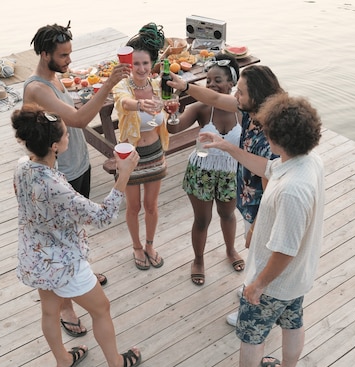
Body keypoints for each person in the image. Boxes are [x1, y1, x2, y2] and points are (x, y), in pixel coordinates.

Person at [198, 93, 324, 367]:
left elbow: (285, 249)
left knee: (252, 334)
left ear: (276, 137)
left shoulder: (293, 190)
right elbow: (266, 168)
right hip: (297, 278)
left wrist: (258, 285)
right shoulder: (307, 162)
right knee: (293, 323)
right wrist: (226, 145)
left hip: (274, 281)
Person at [12, 104, 142, 367]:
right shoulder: (55, 186)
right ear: (55, 145)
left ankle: (63, 361)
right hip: (63, 262)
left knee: (49, 311)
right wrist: (125, 173)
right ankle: (116, 364)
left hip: (36, 256)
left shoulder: (23, 167)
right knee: (101, 309)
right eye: (66, 135)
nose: (70, 137)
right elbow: (103, 216)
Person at [23, 22, 131, 338]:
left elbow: (71, 113)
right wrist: (108, 84)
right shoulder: (36, 89)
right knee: (61, 238)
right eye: (63, 55)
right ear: (45, 54)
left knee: (75, 230)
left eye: (70, 53)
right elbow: (80, 120)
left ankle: (80, 271)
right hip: (61, 173)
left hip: (78, 163)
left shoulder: (54, 77)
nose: (69, 60)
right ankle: (68, 307)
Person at [169, 66, 284, 321]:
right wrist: (182, 90)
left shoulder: (260, 121)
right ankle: (233, 279)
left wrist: (258, 222)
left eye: (240, 92)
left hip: (250, 190)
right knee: (210, 224)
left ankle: (249, 297)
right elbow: (211, 100)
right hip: (226, 183)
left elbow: (268, 172)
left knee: (244, 233)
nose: (236, 96)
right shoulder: (244, 108)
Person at [166, 54, 244, 286]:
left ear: (232, 83)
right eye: (208, 81)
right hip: (201, 171)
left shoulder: (242, 110)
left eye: (217, 80)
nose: (211, 85)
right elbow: (175, 128)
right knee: (202, 220)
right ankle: (198, 260)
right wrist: (171, 112)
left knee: (228, 215)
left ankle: (230, 250)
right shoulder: (201, 108)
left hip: (231, 172)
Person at [112, 23, 169, 271]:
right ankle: (136, 246)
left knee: (151, 206)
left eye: (146, 63)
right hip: (131, 155)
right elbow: (123, 102)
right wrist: (139, 105)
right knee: (133, 207)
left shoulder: (158, 86)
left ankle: (149, 244)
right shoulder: (123, 86)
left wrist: (170, 107)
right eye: (136, 64)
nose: (141, 69)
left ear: (152, 63)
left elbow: (168, 110)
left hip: (155, 152)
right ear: (129, 65)